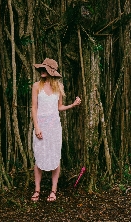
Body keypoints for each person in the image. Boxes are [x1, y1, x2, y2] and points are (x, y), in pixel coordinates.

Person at [31, 58, 81, 202]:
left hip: (54, 127)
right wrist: (36, 127)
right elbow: (34, 107)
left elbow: (59, 107)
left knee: (55, 156)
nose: (41, 71)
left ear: (51, 72)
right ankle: (37, 190)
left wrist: (72, 105)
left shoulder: (58, 87)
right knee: (39, 157)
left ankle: (53, 190)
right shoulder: (36, 86)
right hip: (41, 125)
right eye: (41, 68)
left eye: (44, 69)